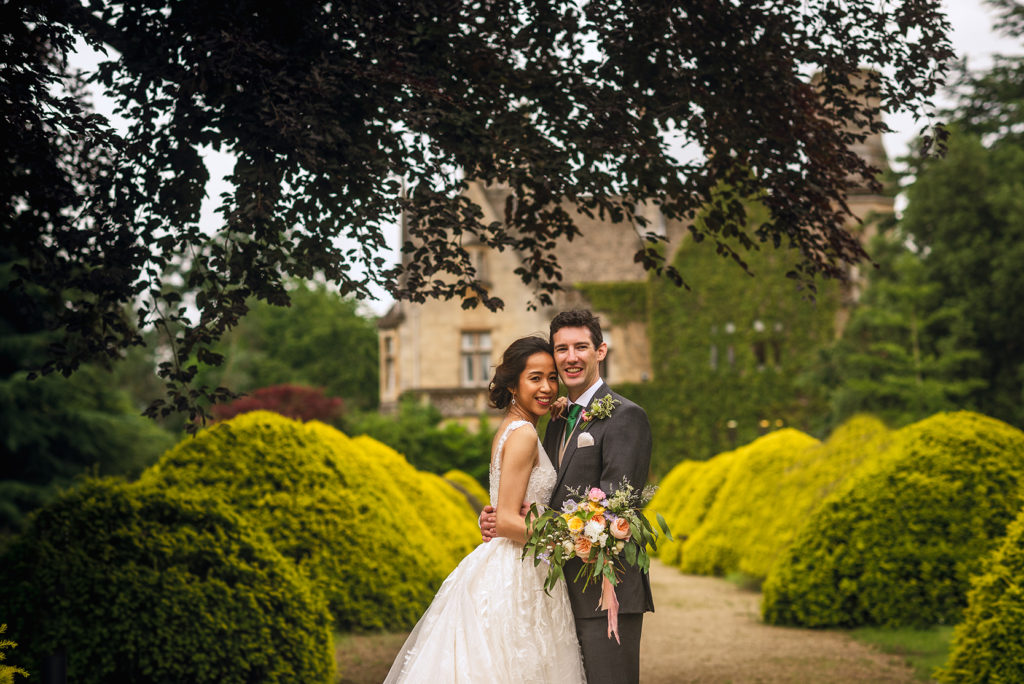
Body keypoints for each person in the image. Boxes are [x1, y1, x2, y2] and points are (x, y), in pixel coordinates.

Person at [384, 336, 586, 684]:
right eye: (535, 378)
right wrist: (569, 539)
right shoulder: (522, 434)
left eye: (552, 377)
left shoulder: (509, 428)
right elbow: (507, 521)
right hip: (521, 569)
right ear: (512, 385)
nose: (547, 387)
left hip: (512, 560)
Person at [480, 310, 655, 684]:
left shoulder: (627, 416)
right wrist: (502, 516)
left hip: (603, 589)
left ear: (600, 351)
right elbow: (540, 492)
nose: (571, 357)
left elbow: (612, 511)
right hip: (552, 591)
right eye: (562, 349)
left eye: (581, 347)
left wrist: (519, 524)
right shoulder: (555, 419)